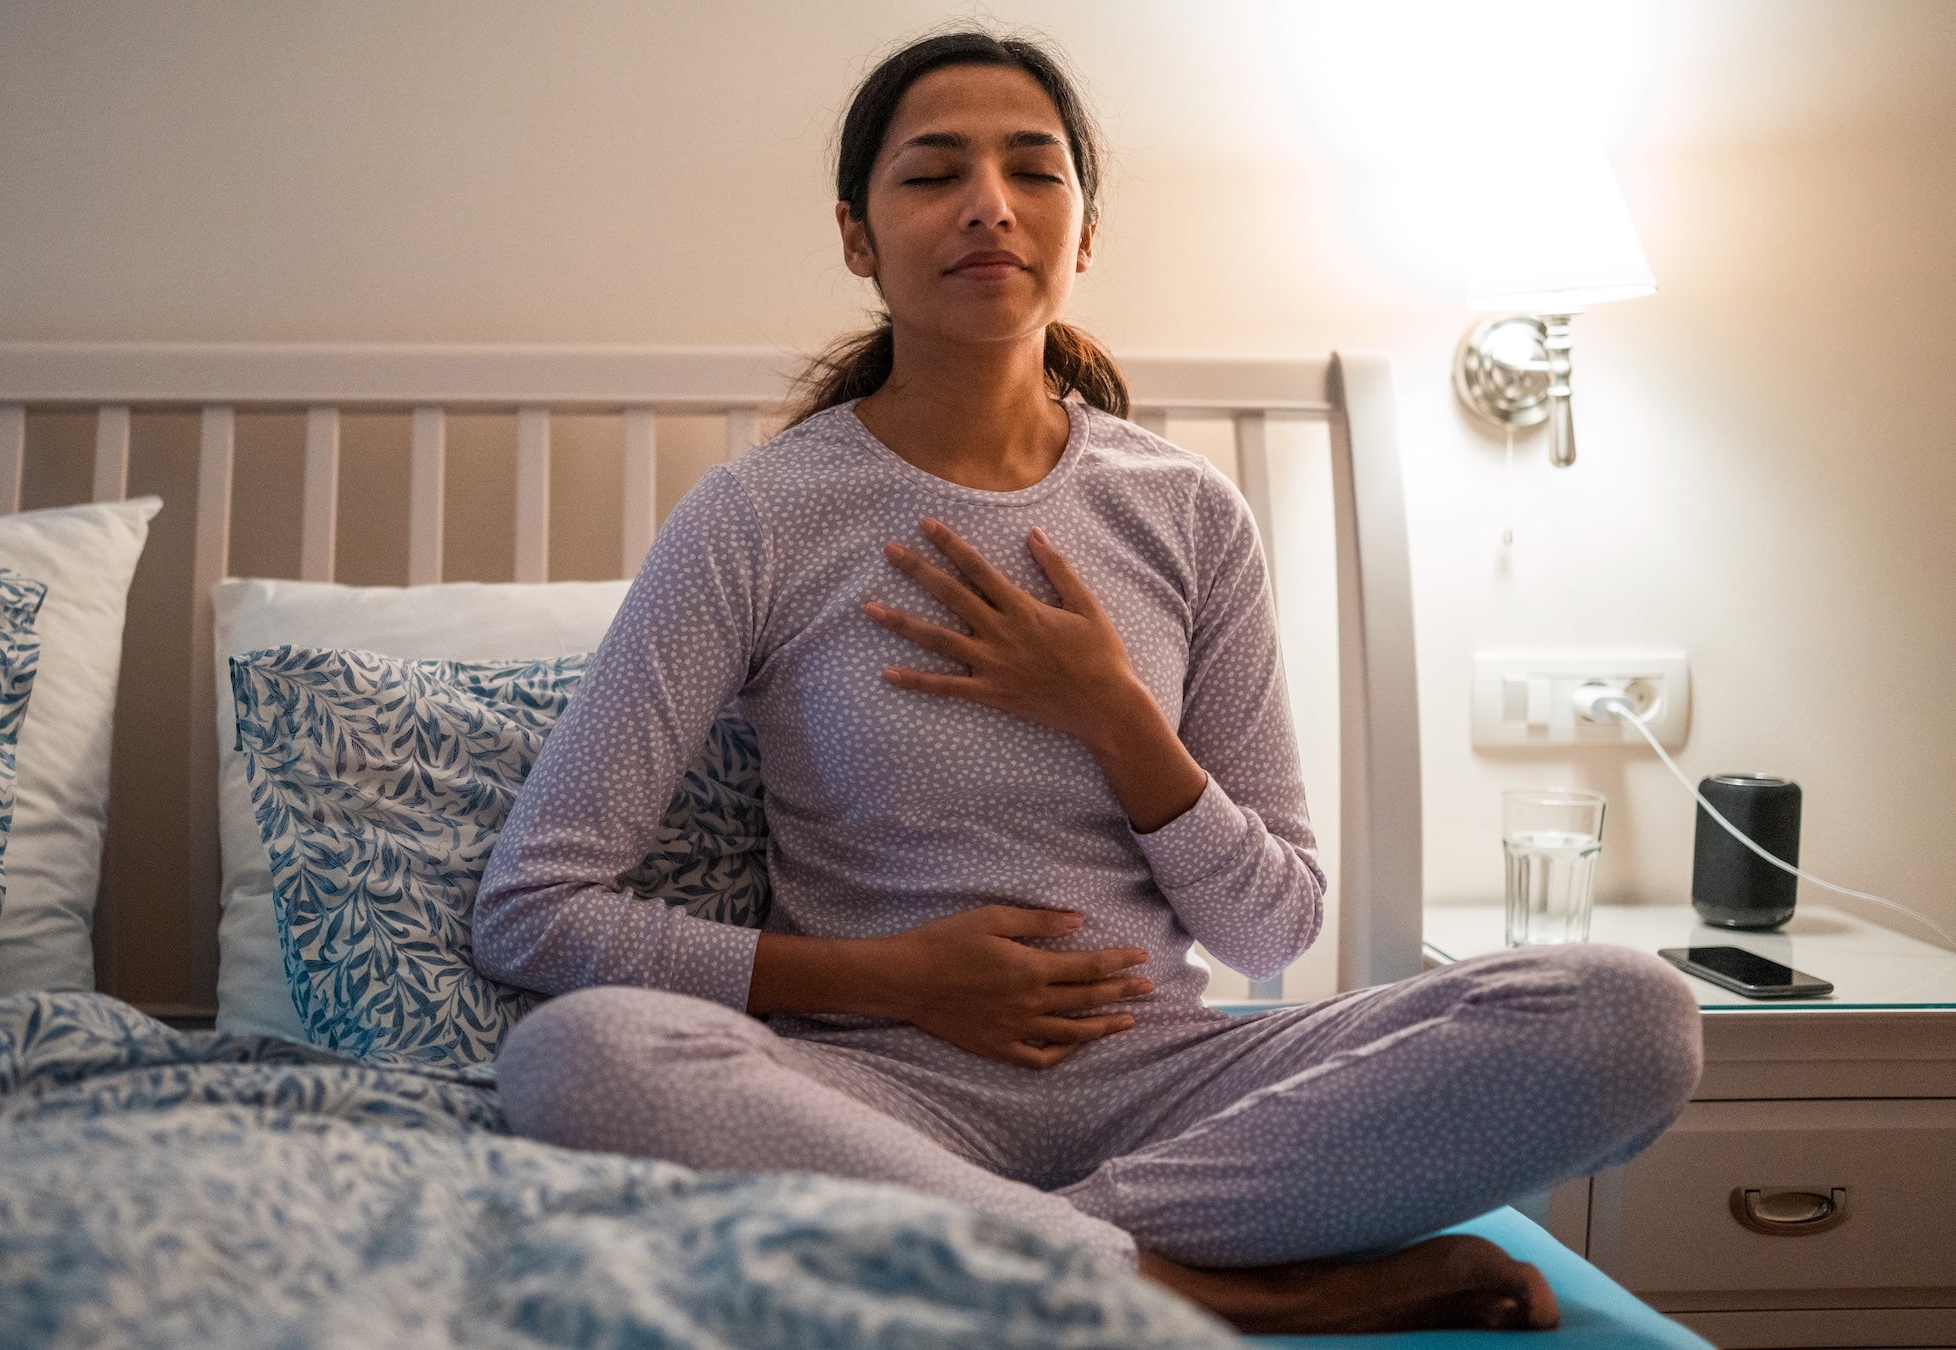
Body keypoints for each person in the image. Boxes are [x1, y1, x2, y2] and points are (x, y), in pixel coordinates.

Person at [472, 28, 1701, 1335]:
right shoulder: (757, 519)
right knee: (579, 1056)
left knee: (1631, 1017)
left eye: (1034, 171)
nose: (990, 204)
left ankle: (1025, 1242)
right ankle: (1228, 1289)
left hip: (1177, 1095)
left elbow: (1272, 932)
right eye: (934, 173)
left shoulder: (1185, 512)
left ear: (1085, 230)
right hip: (870, 1097)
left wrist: (1115, 713)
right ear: (857, 236)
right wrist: (896, 977)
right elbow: (533, 908)